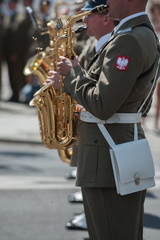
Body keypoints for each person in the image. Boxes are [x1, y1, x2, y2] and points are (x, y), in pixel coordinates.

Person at [46, 0, 160, 239]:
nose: (107, 3)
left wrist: (73, 74)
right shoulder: (140, 34)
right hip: (114, 149)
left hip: (107, 156)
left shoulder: (128, 39)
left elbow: (102, 104)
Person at [65, 0, 119, 231]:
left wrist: (71, 75)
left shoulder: (119, 44)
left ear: (105, 18)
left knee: (105, 219)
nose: (83, 18)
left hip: (104, 133)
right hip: (94, 128)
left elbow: (101, 100)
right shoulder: (104, 43)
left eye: (88, 14)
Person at [149, 2, 160, 132]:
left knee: (158, 95)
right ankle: (142, 121)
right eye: (154, 11)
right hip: (151, 64)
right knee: (147, 92)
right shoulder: (150, 27)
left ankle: (156, 123)